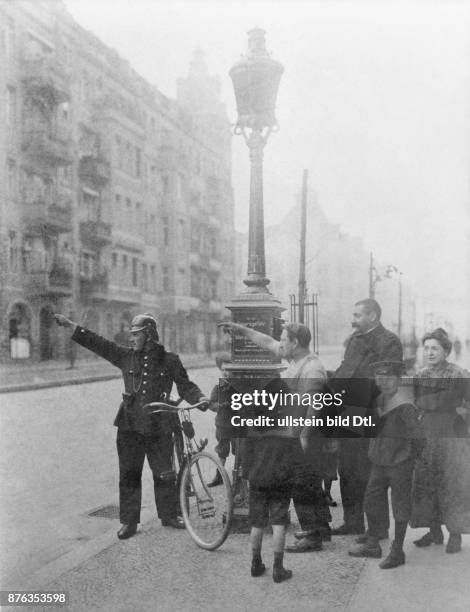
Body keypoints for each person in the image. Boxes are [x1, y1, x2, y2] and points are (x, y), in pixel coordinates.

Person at [55, 312, 209, 540]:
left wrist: (202, 398)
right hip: (129, 426)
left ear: (148, 334)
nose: (131, 339)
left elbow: (186, 386)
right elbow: (98, 343)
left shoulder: (170, 360)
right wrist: (71, 325)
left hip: (159, 426)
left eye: (135, 334)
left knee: (165, 474)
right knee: (129, 474)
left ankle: (169, 515)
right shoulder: (125, 356)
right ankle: (129, 521)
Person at [221, 321, 330, 560]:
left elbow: (315, 407)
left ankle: (313, 535)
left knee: (304, 484)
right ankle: (318, 530)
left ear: (296, 343)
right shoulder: (296, 359)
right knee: (306, 483)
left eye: (284, 340)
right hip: (298, 432)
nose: (279, 344)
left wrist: (302, 436)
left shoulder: (312, 368)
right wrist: (242, 330)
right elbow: (268, 342)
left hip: (308, 434)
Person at [329, 298, 403, 536]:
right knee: (347, 469)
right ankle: (353, 523)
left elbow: (387, 382)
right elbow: (344, 370)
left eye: (357, 315)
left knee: (372, 474)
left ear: (372, 316)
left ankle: (377, 529)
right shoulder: (354, 340)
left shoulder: (389, 341)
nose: (353, 320)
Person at [348, 361, 425, 568]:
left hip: (400, 462)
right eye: (379, 377)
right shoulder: (377, 400)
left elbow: (419, 437)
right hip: (378, 461)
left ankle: (397, 550)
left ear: (398, 380)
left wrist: (409, 458)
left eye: (389, 377)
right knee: (371, 501)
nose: (383, 381)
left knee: (400, 506)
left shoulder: (404, 406)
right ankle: (373, 543)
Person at [411, 328, 470, 553]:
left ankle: (454, 534)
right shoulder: (420, 375)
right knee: (426, 482)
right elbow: (415, 404)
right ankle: (434, 530)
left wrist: (463, 412)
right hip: (427, 434)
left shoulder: (459, 375)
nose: (430, 352)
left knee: (453, 483)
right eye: (426, 348)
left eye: (435, 348)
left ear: (446, 351)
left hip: (452, 435)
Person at [207, 352, 237, 487]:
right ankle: (219, 475)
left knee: (239, 451)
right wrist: (218, 406)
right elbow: (211, 404)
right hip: (223, 423)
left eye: (229, 370)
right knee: (222, 451)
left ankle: (239, 480)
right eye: (224, 370)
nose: (226, 373)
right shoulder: (218, 387)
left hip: (237, 424)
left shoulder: (238, 387)